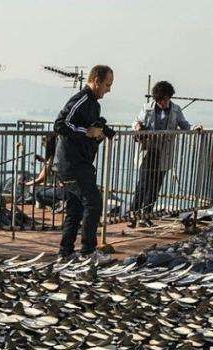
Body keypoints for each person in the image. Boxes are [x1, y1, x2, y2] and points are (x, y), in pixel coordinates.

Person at [52, 65, 115, 258]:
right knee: (94, 203)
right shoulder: (81, 99)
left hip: (82, 162)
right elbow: (60, 124)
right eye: (107, 84)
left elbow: (88, 129)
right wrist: (87, 132)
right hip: (72, 164)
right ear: (96, 80)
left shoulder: (94, 104)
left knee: (76, 208)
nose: (109, 89)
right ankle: (88, 252)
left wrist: (100, 132)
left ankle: (65, 252)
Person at [129, 80, 198, 224]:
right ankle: (133, 215)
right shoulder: (147, 108)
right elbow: (136, 122)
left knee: (155, 186)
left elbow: (185, 125)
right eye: (161, 100)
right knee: (143, 183)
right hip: (148, 151)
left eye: (166, 99)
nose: (164, 103)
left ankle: (146, 216)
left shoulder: (176, 110)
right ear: (156, 99)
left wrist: (195, 128)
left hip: (164, 153)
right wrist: (137, 126)